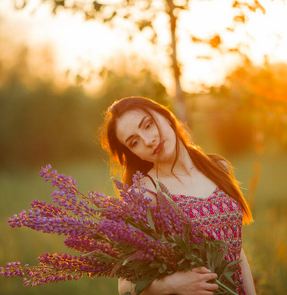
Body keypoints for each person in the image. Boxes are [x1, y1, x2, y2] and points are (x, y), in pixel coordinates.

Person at [100, 96, 256, 295]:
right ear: (134, 153)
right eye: (135, 142)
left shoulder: (217, 168)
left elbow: (235, 250)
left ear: (166, 116)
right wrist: (171, 285)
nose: (148, 141)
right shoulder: (143, 194)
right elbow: (125, 287)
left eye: (148, 125)